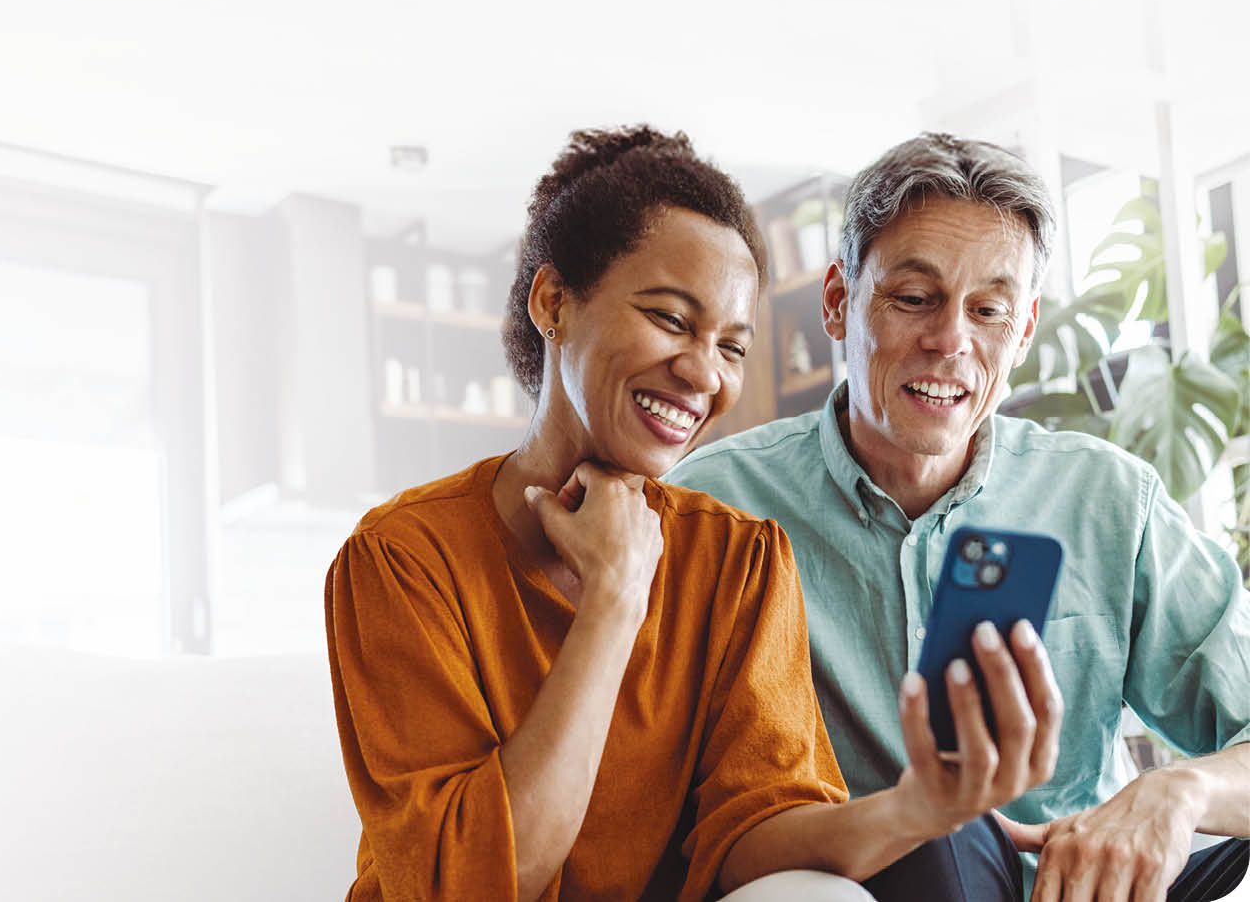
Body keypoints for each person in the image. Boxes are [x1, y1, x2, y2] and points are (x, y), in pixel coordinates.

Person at [325, 126, 1063, 902]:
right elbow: (468, 887)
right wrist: (613, 599)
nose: (701, 372)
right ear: (553, 301)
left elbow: (756, 838)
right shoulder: (403, 557)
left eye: (733, 347)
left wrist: (919, 809)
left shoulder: (740, 559)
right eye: (672, 320)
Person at [669, 132, 1250, 902]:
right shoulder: (716, 505)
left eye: (990, 311)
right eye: (914, 298)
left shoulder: (1109, 498)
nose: (950, 342)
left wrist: (1178, 792)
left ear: (1026, 329)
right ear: (839, 301)